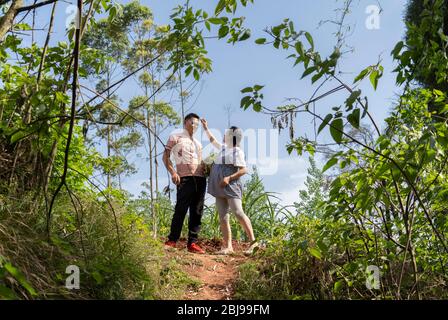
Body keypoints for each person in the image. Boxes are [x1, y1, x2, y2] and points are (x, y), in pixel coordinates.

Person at [201, 118, 258, 255]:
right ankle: (228, 246)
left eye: (226, 134)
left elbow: (244, 170)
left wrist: (229, 178)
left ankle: (254, 244)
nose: (224, 135)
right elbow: (212, 140)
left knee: (238, 212)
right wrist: (206, 128)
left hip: (231, 186)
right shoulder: (224, 149)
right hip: (219, 187)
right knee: (223, 216)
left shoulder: (237, 151)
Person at [163, 113, 206, 254]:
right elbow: (165, 157)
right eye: (193, 123)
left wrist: (207, 166)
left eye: (198, 125)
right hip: (184, 178)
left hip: (200, 179)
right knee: (180, 209)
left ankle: (192, 243)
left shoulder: (198, 144)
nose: (195, 126)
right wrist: (173, 173)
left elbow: (200, 161)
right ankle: (172, 240)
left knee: (197, 211)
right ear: (186, 122)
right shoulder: (175, 137)